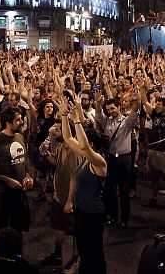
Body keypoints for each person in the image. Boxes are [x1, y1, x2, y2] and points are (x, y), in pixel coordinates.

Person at [61, 94, 109, 274]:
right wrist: (65, 116)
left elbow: (85, 147)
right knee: (83, 248)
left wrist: (77, 121)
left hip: (93, 213)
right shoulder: (85, 158)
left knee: (93, 251)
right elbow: (67, 138)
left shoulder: (99, 161)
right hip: (82, 210)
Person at [0, 105, 32, 253]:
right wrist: (6, 179)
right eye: (18, 120)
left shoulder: (20, 136)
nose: (21, 122)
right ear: (8, 122)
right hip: (1, 195)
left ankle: (17, 260)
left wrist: (28, 176)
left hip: (19, 193)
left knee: (18, 229)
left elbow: (24, 159)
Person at [39, 97, 80, 271]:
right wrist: (47, 154)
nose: (54, 131)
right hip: (59, 195)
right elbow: (57, 164)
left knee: (74, 230)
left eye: (57, 129)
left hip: (70, 199)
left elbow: (74, 177)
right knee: (58, 226)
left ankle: (75, 258)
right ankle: (57, 254)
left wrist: (70, 201)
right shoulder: (63, 146)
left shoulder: (73, 150)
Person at [96, 91, 139, 229]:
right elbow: (98, 115)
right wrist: (98, 103)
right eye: (108, 109)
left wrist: (136, 101)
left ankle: (124, 219)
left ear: (119, 107)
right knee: (110, 191)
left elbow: (133, 113)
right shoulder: (106, 121)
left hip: (124, 159)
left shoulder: (126, 121)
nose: (110, 111)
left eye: (112, 108)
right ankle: (112, 216)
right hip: (110, 159)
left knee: (124, 191)